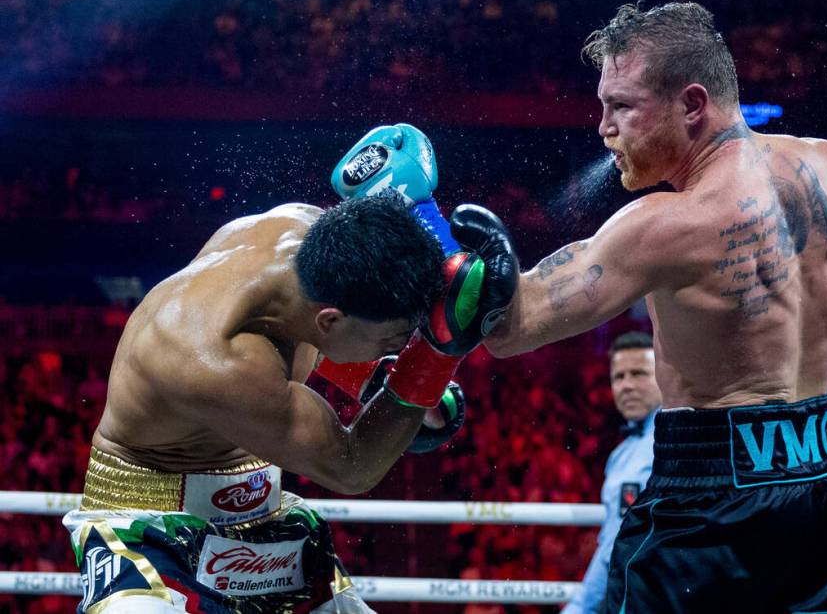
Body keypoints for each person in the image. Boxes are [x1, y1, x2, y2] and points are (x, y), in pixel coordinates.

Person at [485, 1, 827, 613]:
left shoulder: (663, 224)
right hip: (822, 486)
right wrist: (767, 305)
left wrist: (439, 243)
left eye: (622, 106)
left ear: (692, 105)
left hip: (708, 502)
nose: (603, 129)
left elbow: (510, 330)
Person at [63, 190, 517, 613]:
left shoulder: (313, 242)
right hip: (149, 526)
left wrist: (379, 378)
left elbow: (305, 333)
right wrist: (433, 359)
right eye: (392, 342)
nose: (398, 350)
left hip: (263, 512)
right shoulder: (211, 360)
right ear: (331, 319)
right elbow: (351, 464)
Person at [562, 332, 660, 614]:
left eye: (639, 374)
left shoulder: (668, 443)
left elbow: (618, 547)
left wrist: (581, 607)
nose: (627, 386)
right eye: (619, 377)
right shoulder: (621, 456)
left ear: (664, 376)